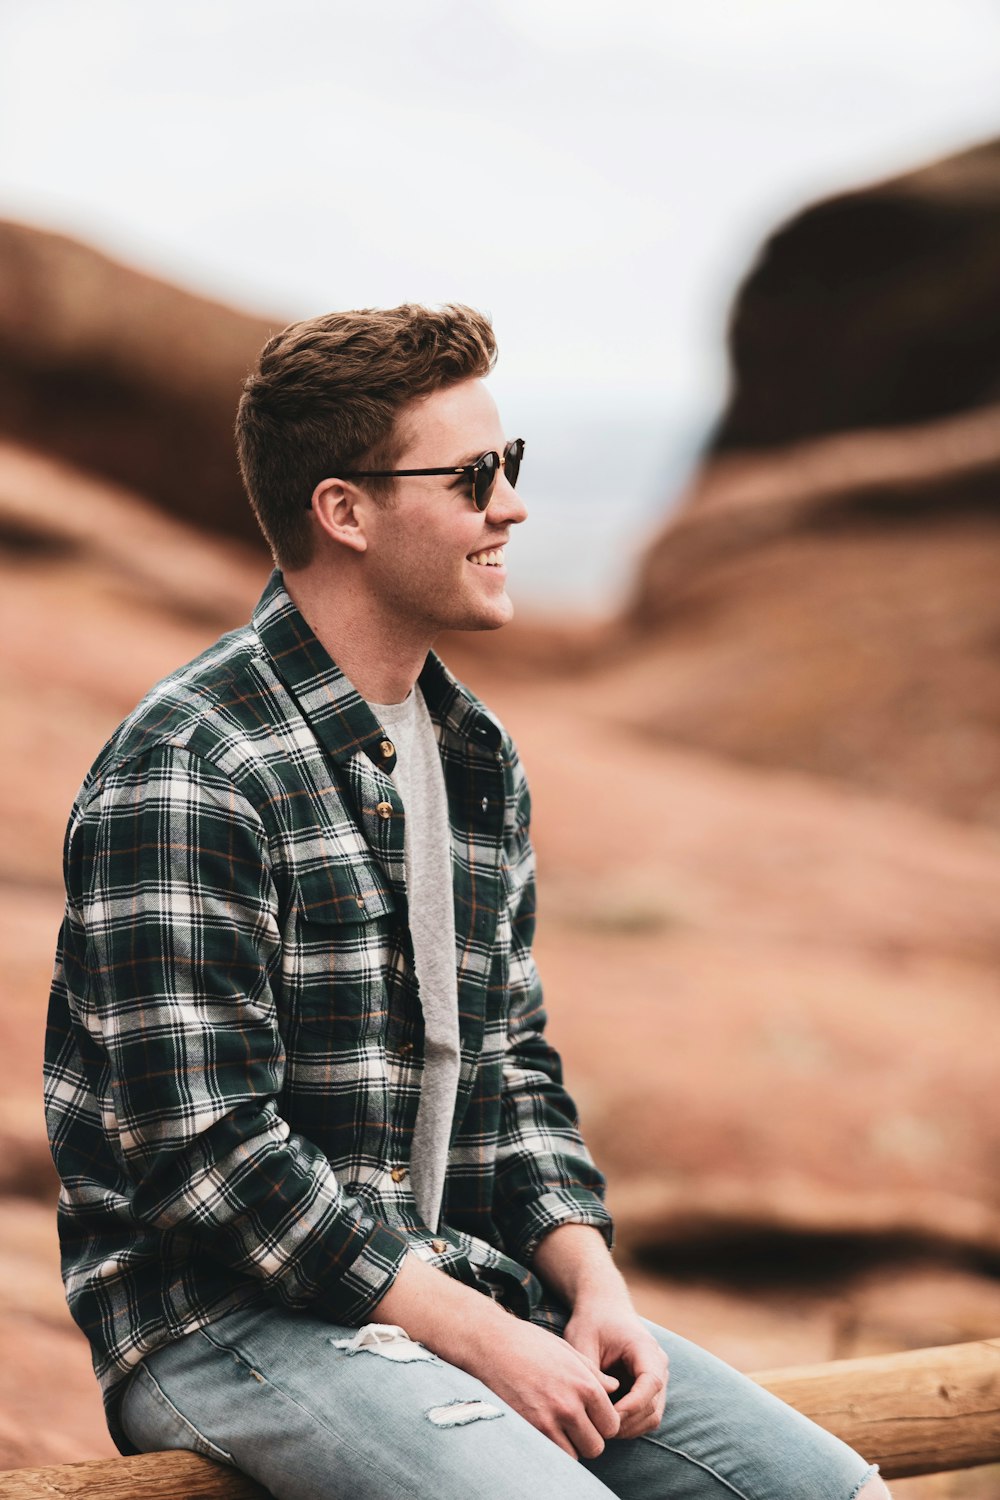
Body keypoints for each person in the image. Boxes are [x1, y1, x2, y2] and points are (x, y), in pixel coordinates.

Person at [44, 304, 889, 1500]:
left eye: (515, 467)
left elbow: (509, 1066)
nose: (512, 507)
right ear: (344, 512)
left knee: (834, 1494)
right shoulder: (192, 763)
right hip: (227, 1322)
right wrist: (486, 1339)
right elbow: (205, 1156)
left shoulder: (472, 752)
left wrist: (590, 1286)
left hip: (454, 1284)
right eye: (473, 476)